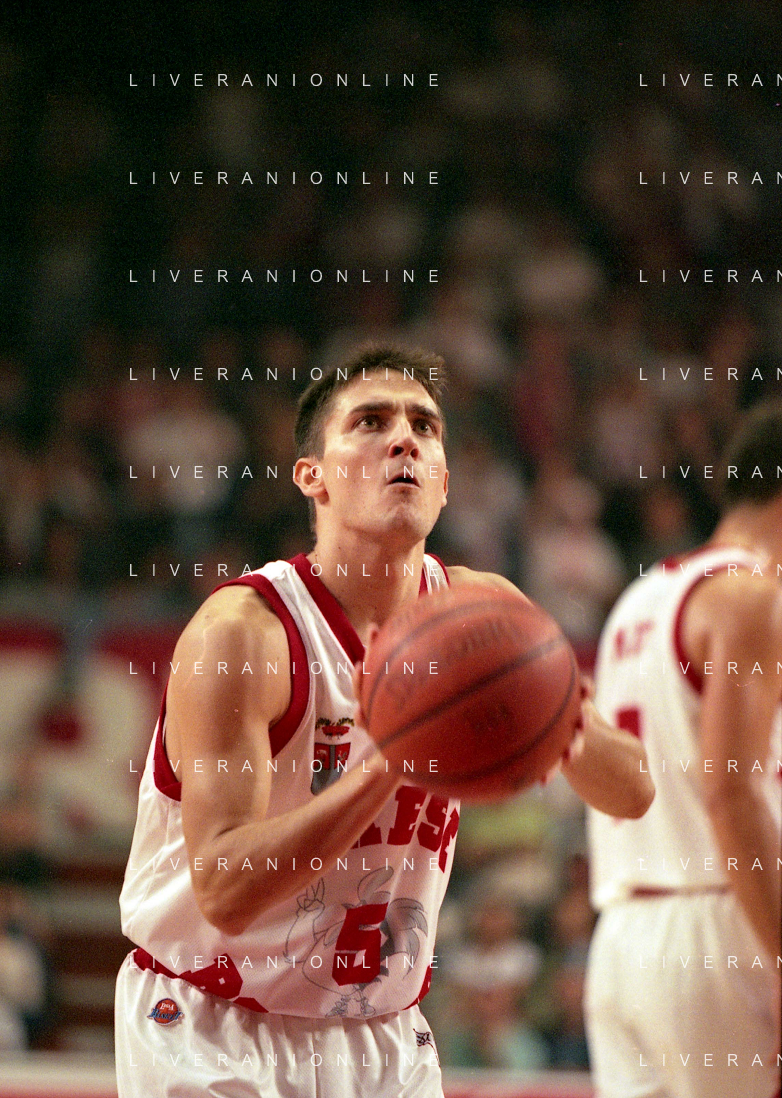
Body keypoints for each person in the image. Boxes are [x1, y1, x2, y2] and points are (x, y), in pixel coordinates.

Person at [115, 343, 654, 1098]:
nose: (404, 439)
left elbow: (634, 790)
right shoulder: (244, 634)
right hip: (212, 1022)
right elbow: (226, 890)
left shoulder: (485, 614)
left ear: (444, 482)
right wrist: (397, 754)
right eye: (370, 422)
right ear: (313, 476)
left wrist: (555, 712)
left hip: (382, 1033)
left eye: (424, 427)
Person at [585, 399, 782, 1098]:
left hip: (621, 937)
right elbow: (731, 791)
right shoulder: (752, 597)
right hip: (722, 928)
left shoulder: (638, 597)